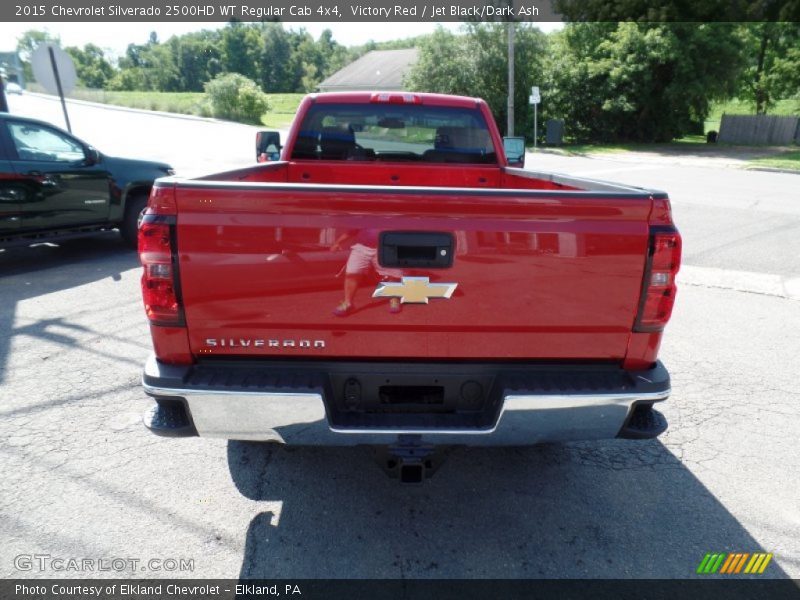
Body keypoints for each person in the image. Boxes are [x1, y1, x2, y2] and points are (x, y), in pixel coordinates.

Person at [331, 229, 402, 316]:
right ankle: (348, 303)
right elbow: (351, 231)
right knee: (352, 273)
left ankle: (394, 299)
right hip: (361, 247)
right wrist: (337, 242)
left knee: (393, 274)